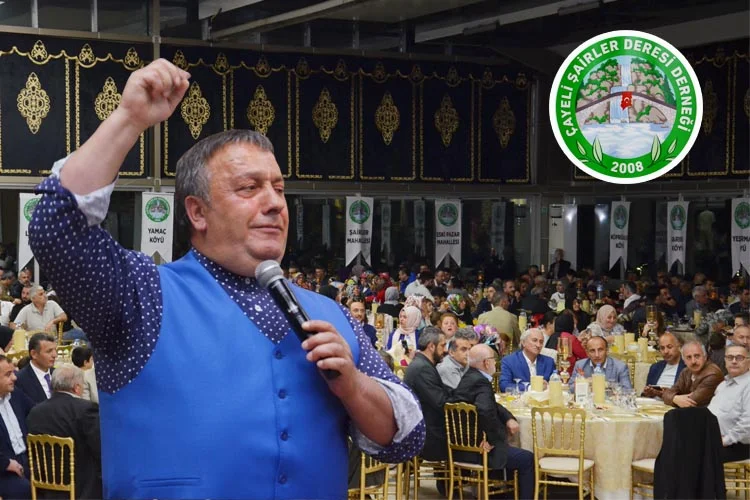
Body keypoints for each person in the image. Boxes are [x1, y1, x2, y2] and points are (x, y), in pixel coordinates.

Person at [28, 59, 424, 498]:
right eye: (249, 188)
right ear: (197, 212)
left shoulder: (329, 313)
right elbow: (56, 227)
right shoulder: (141, 295)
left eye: (279, 188)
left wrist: (353, 386)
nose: (274, 203)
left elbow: (406, 438)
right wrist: (128, 119)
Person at [451, 344, 534, 499]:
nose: (496, 363)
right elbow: (485, 410)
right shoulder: (481, 382)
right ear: (486, 363)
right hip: (477, 451)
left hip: (461, 447)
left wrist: (507, 418)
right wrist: (494, 439)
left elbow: (491, 405)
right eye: (494, 360)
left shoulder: (469, 377)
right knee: (527, 458)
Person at [26, 364, 103, 499]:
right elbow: (99, 448)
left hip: (44, 486)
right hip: (82, 486)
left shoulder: (35, 412)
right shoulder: (85, 410)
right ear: (77, 387)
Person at [402, 327, 448, 463]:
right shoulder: (422, 368)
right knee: (470, 436)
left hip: (425, 428)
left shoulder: (422, 364)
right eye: (443, 345)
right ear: (431, 346)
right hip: (428, 434)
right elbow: (440, 402)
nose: (445, 350)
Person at [707, 345, 750, 463]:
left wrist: (725, 440)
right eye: (730, 357)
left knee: (692, 455)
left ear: (748, 362)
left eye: (739, 358)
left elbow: (747, 423)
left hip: (738, 445)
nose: (734, 361)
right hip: (714, 439)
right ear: (725, 361)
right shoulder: (723, 385)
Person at [0, 354, 33, 499]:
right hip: (4, 468)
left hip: (26, 458)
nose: (14, 378)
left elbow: (35, 411)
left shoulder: (15, 395)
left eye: (13, 372)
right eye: (8, 374)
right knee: (22, 488)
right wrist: (6, 463)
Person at [662, 341, 723, 408]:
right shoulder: (685, 372)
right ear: (684, 361)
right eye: (689, 357)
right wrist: (674, 398)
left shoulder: (713, 374)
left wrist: (673, 398)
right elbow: (668, 393)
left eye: (697, 356)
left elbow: (691, 402)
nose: (693, 361)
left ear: (705, 357)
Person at [14, 333, 57, 405]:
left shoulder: (57, 374)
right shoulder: (20, 379)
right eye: (49, 351)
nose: (55, 355)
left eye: (55, 350)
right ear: (34, 354)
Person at [643, 332, 686, 398]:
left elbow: (685, 395)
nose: (666, 351)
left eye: (669, 347)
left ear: (679, 347)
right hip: (653, 402)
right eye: (662, 348)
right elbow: (646, 394)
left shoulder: (687, 368)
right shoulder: (655, 367)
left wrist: (661, 393)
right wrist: (648, 392)